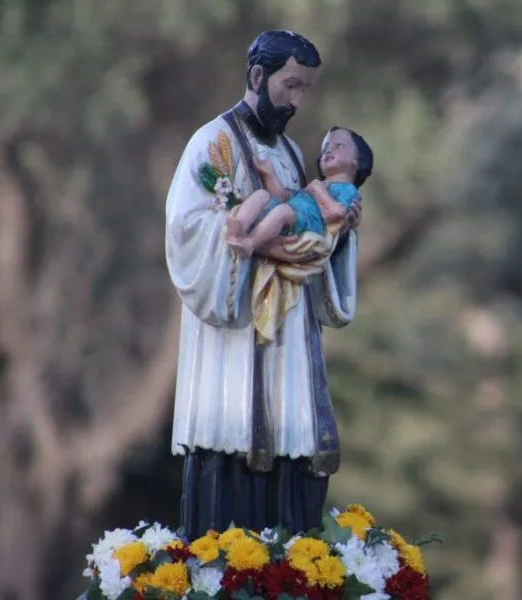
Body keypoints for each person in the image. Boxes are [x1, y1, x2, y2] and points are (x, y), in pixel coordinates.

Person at [164, 30, 363, 540]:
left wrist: (339, 233)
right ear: (258, 76)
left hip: (290, 340)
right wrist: (261, 245)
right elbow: (186, 229)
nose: (297, 101)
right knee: (233, 452)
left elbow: (311, 223)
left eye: (305, 89)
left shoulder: (292, 152)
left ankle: (292, 564)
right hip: (233, 343)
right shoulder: (213, 142)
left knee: (291, 457)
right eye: (290, 85)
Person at [227, 126, 374, 258]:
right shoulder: (317, 186)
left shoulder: (348, 190)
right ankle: (238, 228)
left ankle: (250, 243)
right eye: (325, 148)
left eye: (339, 145)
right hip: (293, 212)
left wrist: (317, 190)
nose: (328, 150)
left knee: (282, 211)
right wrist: (269, 175)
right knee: (262, 195)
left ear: (357, 160)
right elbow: (283, 197)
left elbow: (337, 213)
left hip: (309, 222)